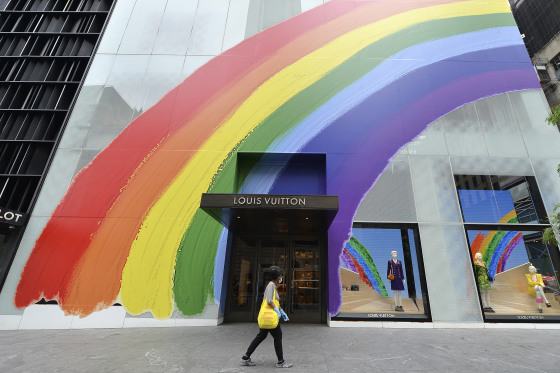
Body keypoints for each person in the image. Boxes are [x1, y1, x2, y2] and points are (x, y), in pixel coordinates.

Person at [241, 268, 293, 368]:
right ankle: (280, 362)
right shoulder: (271, 286)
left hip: (268, 318)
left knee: (261, 336)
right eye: (281, 276)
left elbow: (274, 301)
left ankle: (245, 357)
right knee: (278, 337)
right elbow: (269, 301)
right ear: (278, 277)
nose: (282, 277)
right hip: (270, 317)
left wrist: (282, 311)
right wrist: (277, 311)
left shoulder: (273, 286)